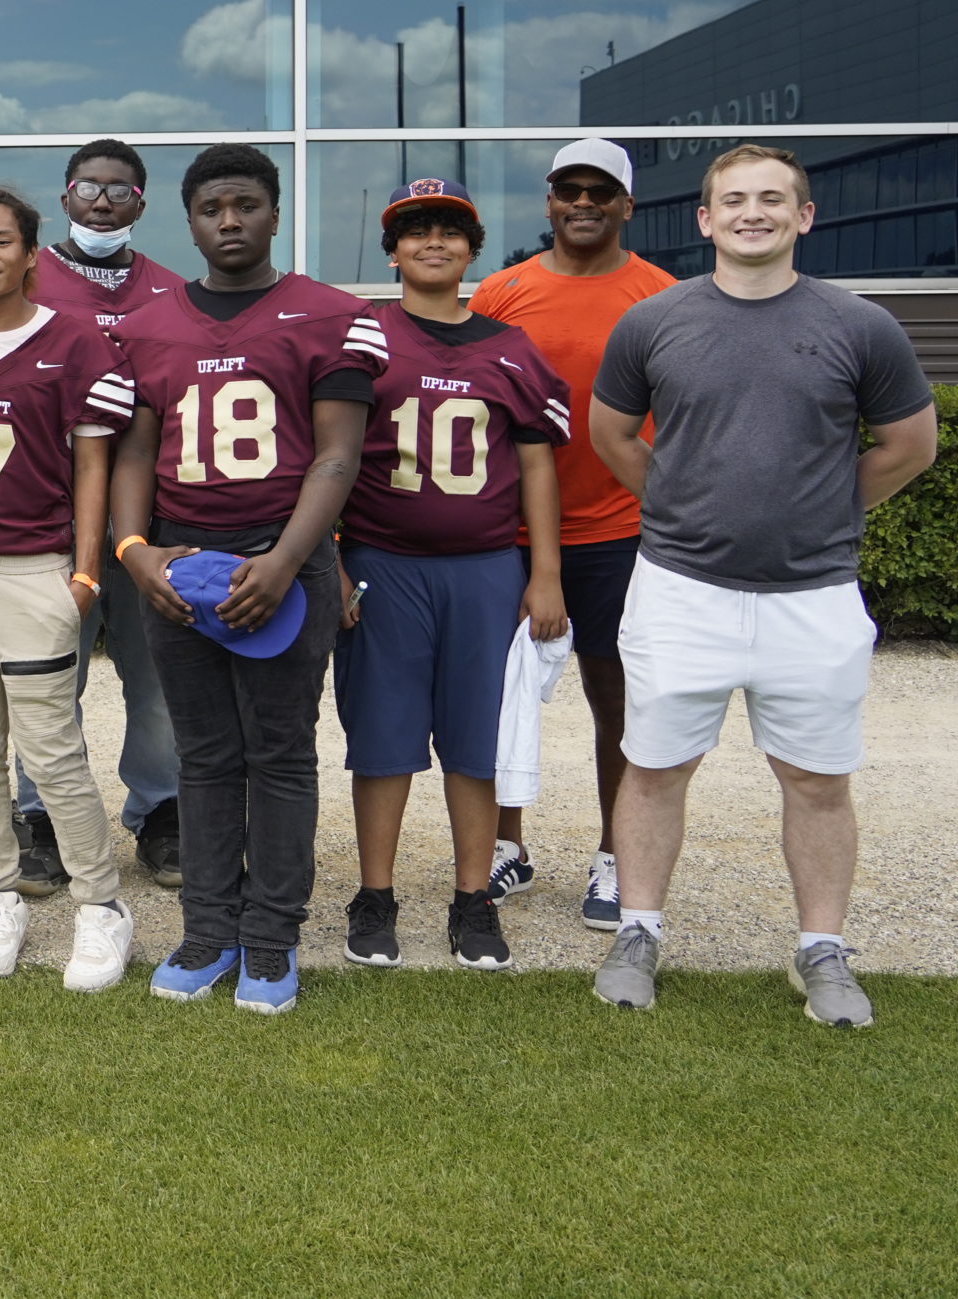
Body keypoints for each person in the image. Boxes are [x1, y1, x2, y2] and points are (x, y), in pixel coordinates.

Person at [588, 144, 934, 1028]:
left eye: (772, 199)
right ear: (704, 219)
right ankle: (638, 931)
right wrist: (680, 498)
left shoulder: (861, 326)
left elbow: (909, 445)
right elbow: (615, 433)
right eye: (733, 199)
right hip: (680, 589)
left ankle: (822, 949)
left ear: (803, 216)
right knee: (655, 765)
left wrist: (823, 506)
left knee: (817, 779)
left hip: (812, 596)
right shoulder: (654, 322)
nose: (753, 212)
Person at [113, 143, 385, 1015]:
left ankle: (270, 936)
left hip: (284, 547)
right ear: (187, 220)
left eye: (246, 205)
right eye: (211, 209)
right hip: (182, 556)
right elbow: (137, 451)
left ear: (274, 212)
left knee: (277, 751)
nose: (229, 222)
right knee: (202, 754)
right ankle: (206, 927)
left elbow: (338, 454)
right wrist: (133, 548)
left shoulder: (327, 314)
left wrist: (288, 559)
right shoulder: (149, 322)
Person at [333, 180, 570, 972]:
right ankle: (376, 894)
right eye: (415, 230)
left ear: (472, 248)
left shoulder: (511, 346)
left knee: (478, 741)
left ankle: (473, 897)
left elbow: (537, 462)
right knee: (383, 737)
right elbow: (325, 456)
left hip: (482, 568)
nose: (432, 242)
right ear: (392, 250)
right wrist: (330, 559)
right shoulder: (360, 336)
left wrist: (545, 572)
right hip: (380, 560)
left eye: (449, 230)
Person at [0, 185, 137, 991]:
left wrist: (84, 568)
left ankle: (101, 904)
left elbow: (92, 464)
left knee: (51, 750)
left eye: (1, 241)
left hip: (35, 564)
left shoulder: (74, 343)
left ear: (31, 254)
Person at [470, 137, 677, 929]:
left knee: (616, 698)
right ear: (549, 202)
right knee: (497, 697)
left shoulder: (663, 296)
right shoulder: (502, 292)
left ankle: (617, 855)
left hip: (623, 528)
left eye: (601, 191)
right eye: (569, 190)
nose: (583, 203)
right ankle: (505, 847)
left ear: (627, 204)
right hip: (504, 530)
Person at [28, 137, 185, 892]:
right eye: (88, 187)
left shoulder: (172, 292)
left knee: (154, 673)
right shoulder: (26, 277)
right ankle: (43, 816)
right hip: (48, 511)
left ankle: (161, 810)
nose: (101, 201)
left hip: (154, 516)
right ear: (64, 197)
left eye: (119, 191)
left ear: (140, 204)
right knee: (51, 672)